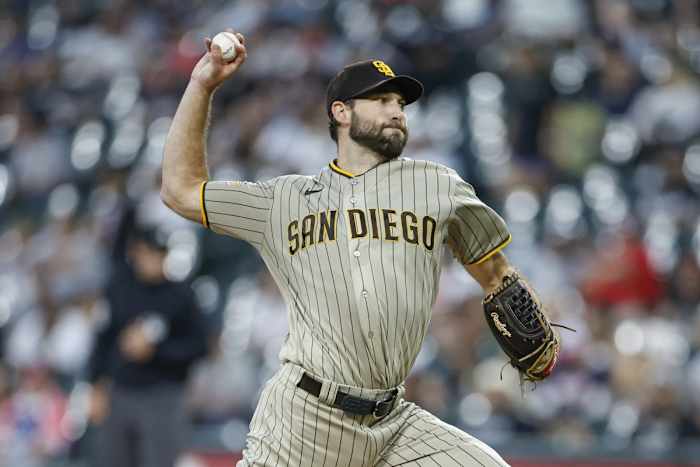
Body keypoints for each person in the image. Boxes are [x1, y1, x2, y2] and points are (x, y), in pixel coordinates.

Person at [161, 29, 556, 466]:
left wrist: (525, 313)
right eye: (382, 100)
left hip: (392, 421)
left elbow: (498, 274)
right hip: (304, 419)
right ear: (341, 112)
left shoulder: (438, 185)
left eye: (400, 104)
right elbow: (181, 189)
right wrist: (202, 85)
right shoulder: (283, 199)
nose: (397, 111)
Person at [86, 209, 209, 467]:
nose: (155, 259)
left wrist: (156, 350)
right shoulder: (119, 290)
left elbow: (199, 347)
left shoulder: (180, 295)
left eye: (160, 253)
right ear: (136, 253)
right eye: (149, 252)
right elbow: (102, 338)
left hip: (163, 393)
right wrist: (95, 384)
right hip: (121, 390)